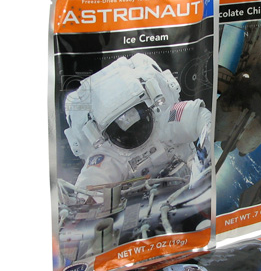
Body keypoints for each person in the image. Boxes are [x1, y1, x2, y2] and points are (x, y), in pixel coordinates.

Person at [63, 53, 212, 192]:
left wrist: (205, 160)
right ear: (101, 133)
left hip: (192, 183)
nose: (128, 124)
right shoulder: (109, 156)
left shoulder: (166, 119)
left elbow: (200, 118)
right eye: (120, 125)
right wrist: (87, 199)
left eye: (133, 114)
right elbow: (89, 185)